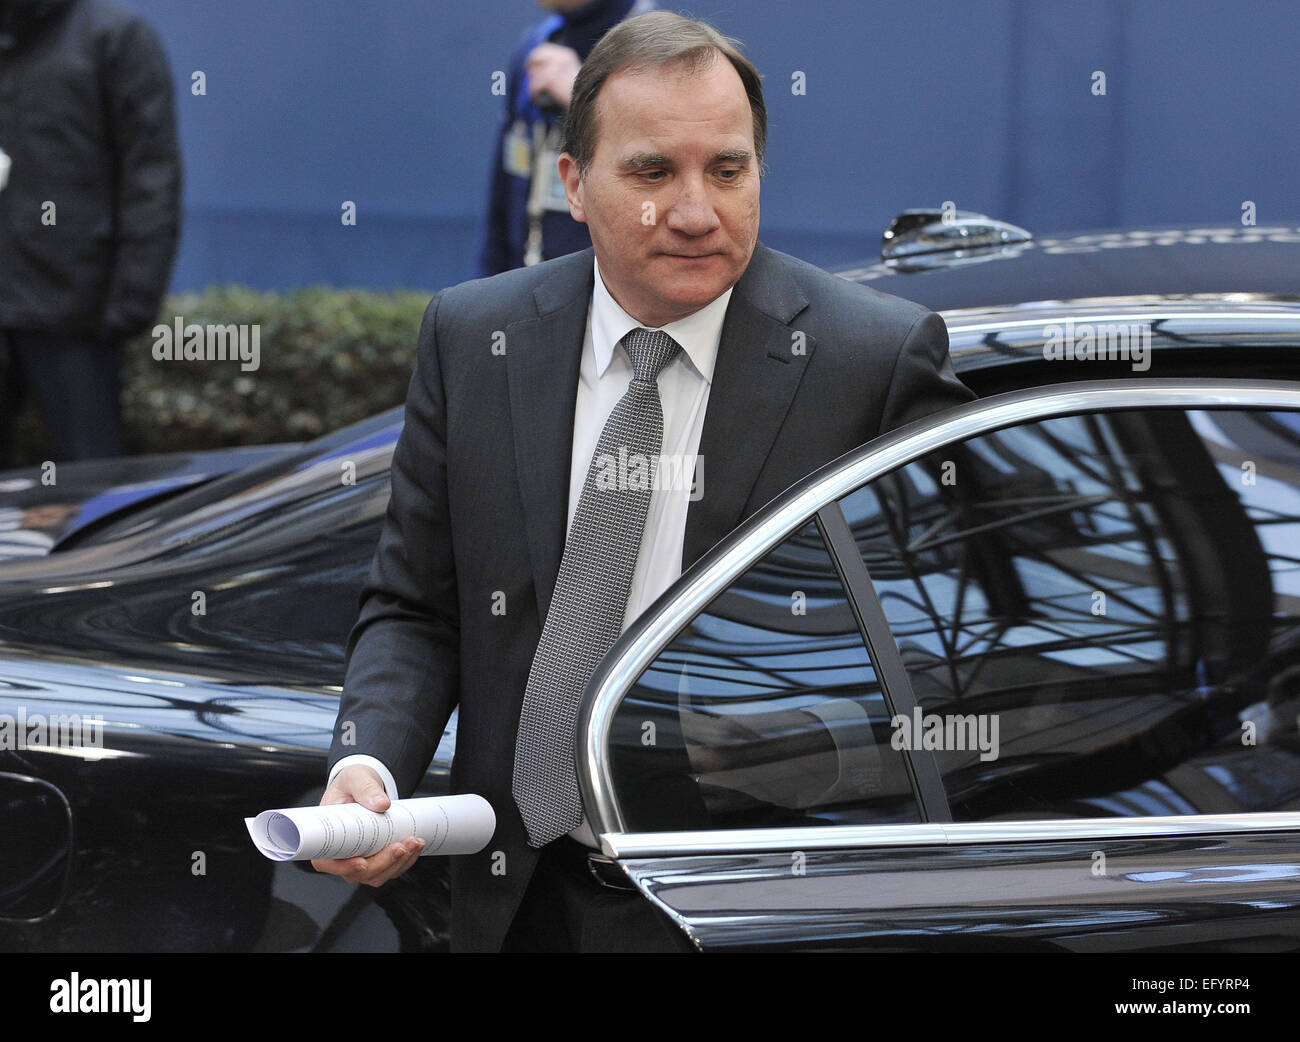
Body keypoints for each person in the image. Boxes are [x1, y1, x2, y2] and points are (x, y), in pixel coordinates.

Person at [315, 11, 974, 952]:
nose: (698, 211)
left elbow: (948, 651)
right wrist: (368, 761)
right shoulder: (475, 338)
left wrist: (801, 737)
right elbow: (418, 606)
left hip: (749, 910)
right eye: (654, 172)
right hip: (517, 900)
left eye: (729, 169)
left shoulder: (867, 361)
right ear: (574, 185)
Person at [0, 0, 181, 468]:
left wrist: (131, 298)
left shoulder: (114, 36)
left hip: (75, 312)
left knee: (90, 480)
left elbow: (151, 171)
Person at [477, 0, 653, 277]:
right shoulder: (535, 47)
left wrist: (584, 100)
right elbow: (503, 196)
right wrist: (487, 294)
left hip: (617, 294)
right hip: (525, 287)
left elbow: (660, 168)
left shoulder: (661, 52)